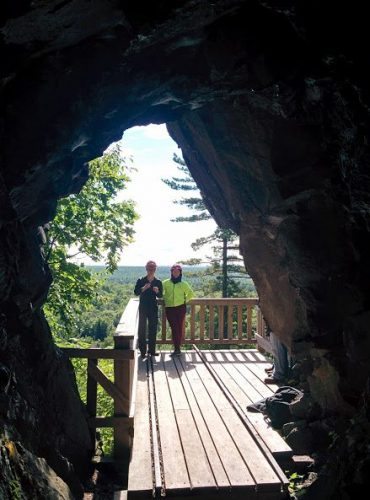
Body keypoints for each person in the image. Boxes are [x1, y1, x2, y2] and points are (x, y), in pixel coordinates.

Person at [162, 263, 194, 356]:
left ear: (180, 273)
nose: (176, 273)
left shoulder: (184, 284)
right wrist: (165, 298)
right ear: (171, 272)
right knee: (174, 327)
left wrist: (185, 301)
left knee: (179, 327)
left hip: (181, 308)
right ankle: (177, 348)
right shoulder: (166, 283)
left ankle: (177, 349)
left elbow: (191, 294)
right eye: (174, 271)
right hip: (170, 308)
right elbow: (160, 293)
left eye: (178, 271)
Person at [134, 260, 163, 357]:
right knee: (141, 329)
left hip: (153, 308)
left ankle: (152, 350)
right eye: (149, 267)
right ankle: (143, 351)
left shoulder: (158, 282)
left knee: (153, 329)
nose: (151, 269)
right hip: (143, 308)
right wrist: (143, 288)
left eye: (153, 267)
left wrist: (157, 291)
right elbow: (136, 292)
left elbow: (160, 296)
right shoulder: (141, 280)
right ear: (146, 268)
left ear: (155, 269)